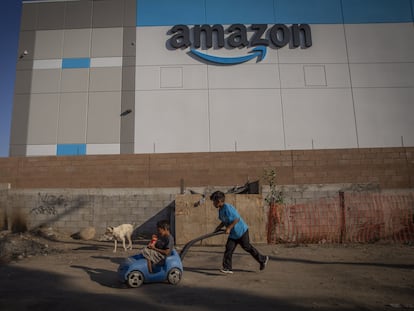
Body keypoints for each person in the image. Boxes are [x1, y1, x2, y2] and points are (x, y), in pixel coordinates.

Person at [210, 190, 269, 274]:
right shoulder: (220, 210)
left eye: (214, 201)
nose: (213, 204)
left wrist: (229, 228)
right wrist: (218, 227)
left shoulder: (228, 208)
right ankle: (227, 268)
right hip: (233, 235)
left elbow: (236, 219)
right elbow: (224, 221)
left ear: (219, 201)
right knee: (228, 249)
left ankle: (263, 259)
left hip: (241, 231)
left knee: (247, 247)